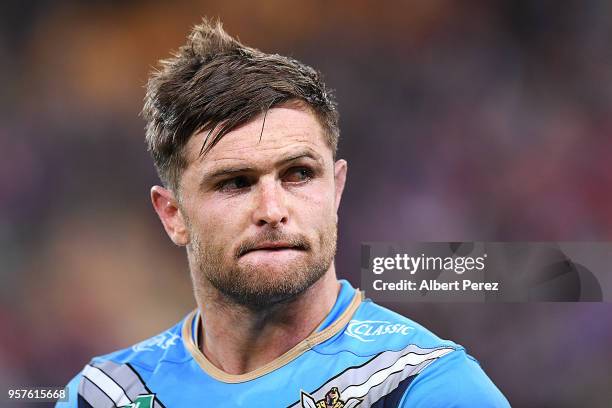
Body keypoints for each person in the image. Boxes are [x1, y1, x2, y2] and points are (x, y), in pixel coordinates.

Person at [57, 18, 510, 408]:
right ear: (172, 214)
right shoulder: (103, 395)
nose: (272, 210)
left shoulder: (422, 387)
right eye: (235, 183)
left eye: (298, 174)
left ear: (336, 189)